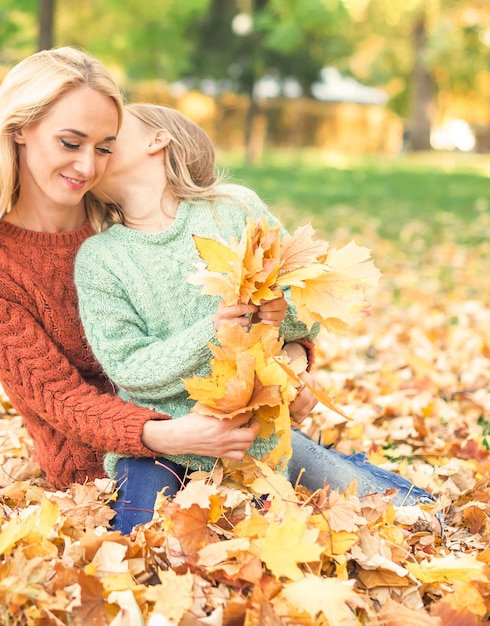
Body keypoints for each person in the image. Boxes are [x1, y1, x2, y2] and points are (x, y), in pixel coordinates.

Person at [74, 103, 436, 534]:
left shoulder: (232, 210)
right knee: (139, 538)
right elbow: (127, 366)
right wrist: (212, 332)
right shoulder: (100, 258)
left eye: (113, 132)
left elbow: (305, 307)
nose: (100, 141)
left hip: (254, 439)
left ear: (157, 139)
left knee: (404, 512)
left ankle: (334, 467)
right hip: (162, 446)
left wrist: (283, 316)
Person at [0, 48, 267, 499]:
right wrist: (172, 435)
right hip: (103, 476)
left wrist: (297, 359)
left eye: (105, 147)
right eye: (70, 143)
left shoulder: (128, 224)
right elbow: (60, 399)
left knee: (363, 493)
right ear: (18, 131)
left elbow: (234, 310)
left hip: (221, 430)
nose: (88, 167)